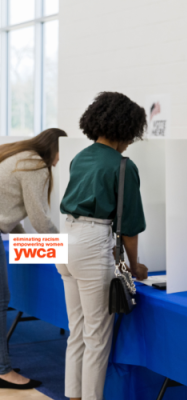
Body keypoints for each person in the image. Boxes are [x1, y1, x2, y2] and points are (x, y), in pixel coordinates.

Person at [57, 91, 149, 400]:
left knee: (77, 330)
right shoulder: (123, 166)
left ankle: (73, 395)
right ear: (127, 128)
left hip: (66, 238)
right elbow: (130, 229)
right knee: (97, 336)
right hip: (92, 242)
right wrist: (135, 267)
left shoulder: (80, 157)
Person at [0, 128, 67, 390]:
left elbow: (9, 210)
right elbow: (38, 218)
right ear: (55, 148)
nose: (60, 161)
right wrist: (62, 245)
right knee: (0, 301)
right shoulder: (35, 165)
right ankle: (3, 371)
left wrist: (26, 242)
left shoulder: (18, 155)